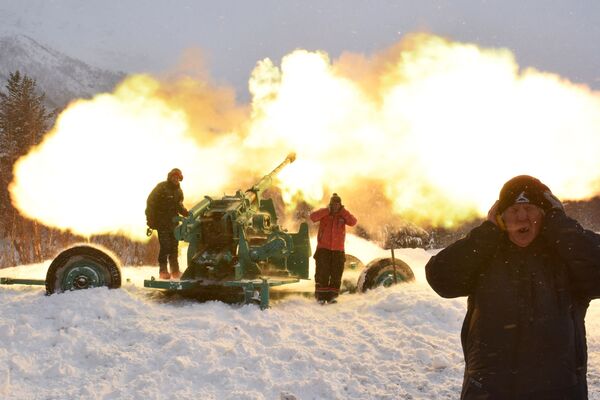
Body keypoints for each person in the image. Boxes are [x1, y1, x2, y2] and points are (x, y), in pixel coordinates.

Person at [425, 175, 600, 399]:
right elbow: (440, 278)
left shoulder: (566, 255)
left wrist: (561, 227)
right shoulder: (485, 253)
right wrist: (486, 232)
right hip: (489, 389)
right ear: (501, 218)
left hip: (559, 389)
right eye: (513, 210)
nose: (522, 217)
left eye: (530, 208)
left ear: (545, 215)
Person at [309, 193, 357, 304]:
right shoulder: (325, 214)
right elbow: (313, 217)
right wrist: (327, 211)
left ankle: (332, 297)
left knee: (336, 274)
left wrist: (343, 212)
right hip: (323, 249)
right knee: (322, 273)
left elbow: (353, 222)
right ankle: (320, 297)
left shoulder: (343, 216)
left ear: (340, 205)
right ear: (330, 204)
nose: (335, 206)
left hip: (338, 250)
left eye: (337, 204)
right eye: (333, 204)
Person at [145, 168, 188, 280]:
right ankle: (163, 271)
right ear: (170, 177)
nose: (175, 179)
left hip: (174, 224)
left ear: (180, 179)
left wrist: (186, 213)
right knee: (165, 247)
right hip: (162, 223)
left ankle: (175, 271)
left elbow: (179, 205)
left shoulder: (179, 191)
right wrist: (150, 221)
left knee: (174, 248)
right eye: (174, 177)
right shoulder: (161, 187)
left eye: (178, 177)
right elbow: (150, 203)